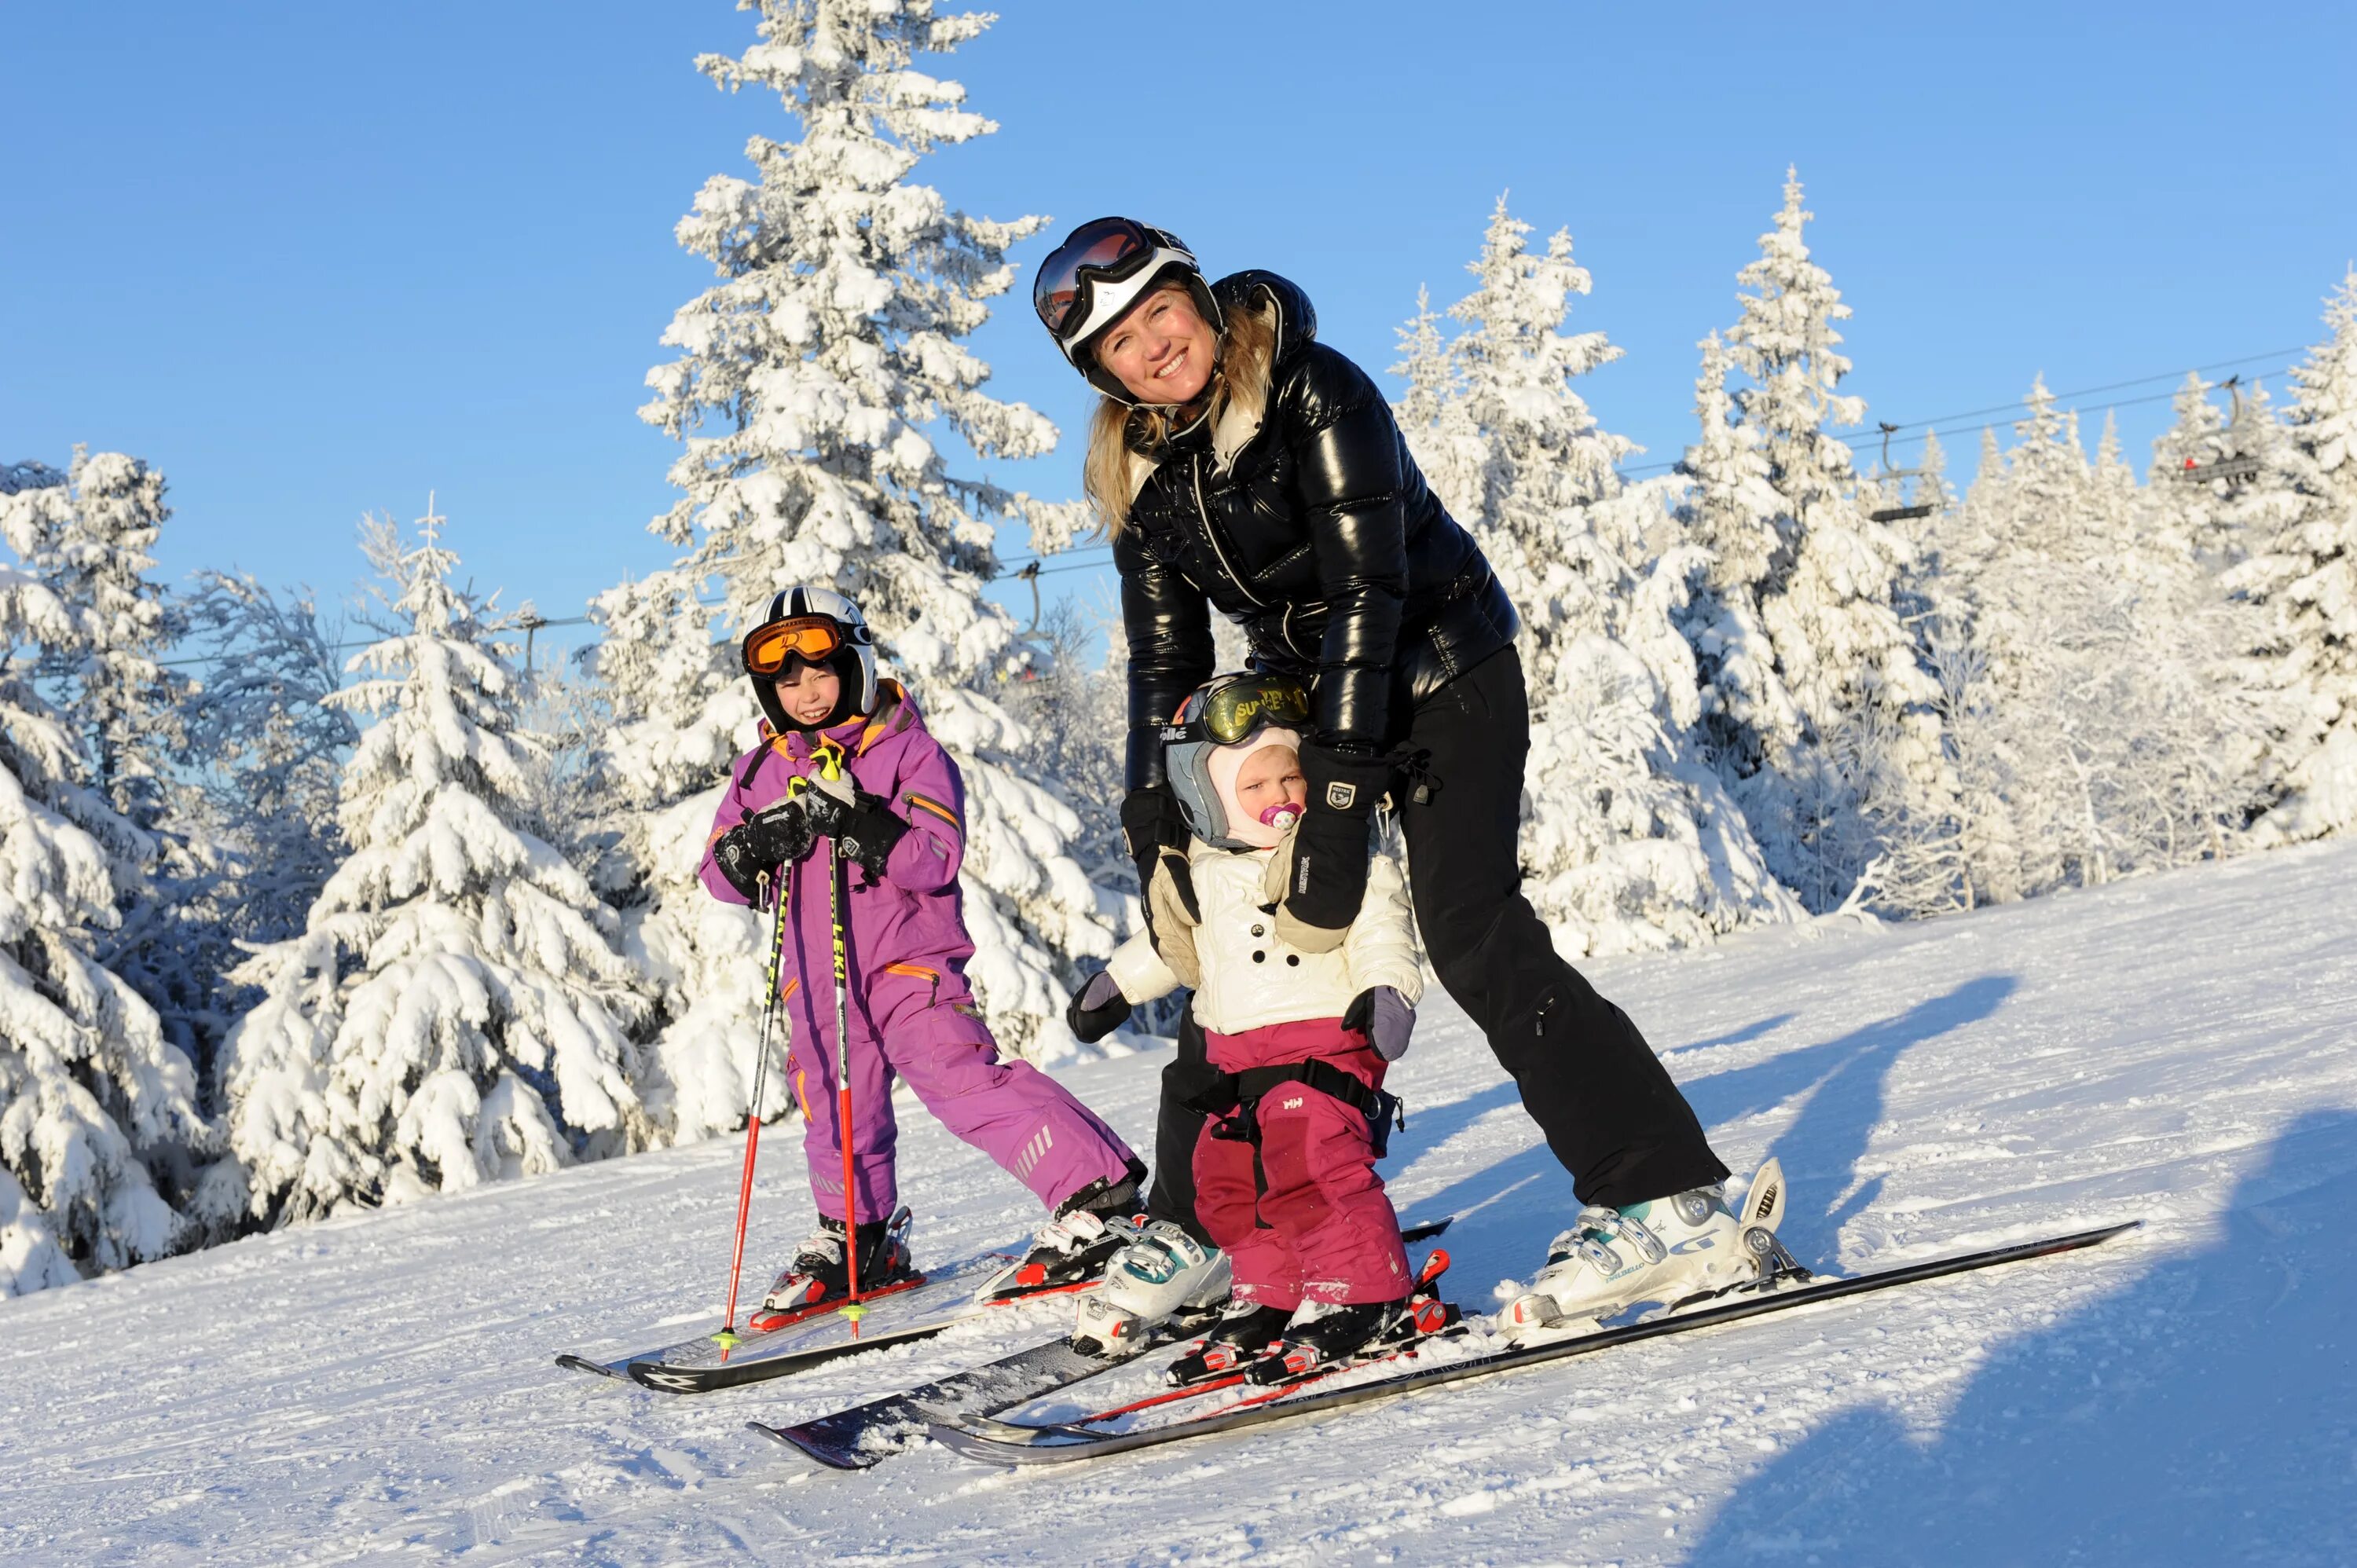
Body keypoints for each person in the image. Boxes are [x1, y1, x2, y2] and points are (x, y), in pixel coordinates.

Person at [1032, 218, 1760, 1327]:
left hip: (1441, 668)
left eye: (1160, 314)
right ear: (1101, 373)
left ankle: (1668, 1199)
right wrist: (1153, 819)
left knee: (1471, 930)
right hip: (1314, 701)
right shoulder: (1142, 467)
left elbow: (1369, 589)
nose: (1153, 348)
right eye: (1120, 344)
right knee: (1232, 938)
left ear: (1197, 295)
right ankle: (1207, 1218)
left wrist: (1335, 791)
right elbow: (1165, 658)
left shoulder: (1311, 389)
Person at [701, 584, 1146, 1325]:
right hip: (815, 978)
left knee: (961, 1079)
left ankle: (1098, 1195)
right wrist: (751, 847)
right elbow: (718, 877)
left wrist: (863, 825)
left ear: (857, 666)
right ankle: (858, 1239)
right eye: (788, 682)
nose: (808, 695)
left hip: (906, 962)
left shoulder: (907, 750)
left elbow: (936, 857)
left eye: (821, 674)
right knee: (835, 1109)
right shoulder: (760, 772)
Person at [1065, 672, 1449, 1380]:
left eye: (1290, 777)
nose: (1281, 797)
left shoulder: (1332, 856)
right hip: (1235, 1065)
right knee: (1226, 1182)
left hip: (1324, 1044)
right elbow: (1168, 948)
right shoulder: (1201, 872)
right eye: (1256, 785)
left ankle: (1368, 1293)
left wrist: (1387, 990)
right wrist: (1115, 985)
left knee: (1314, 1165)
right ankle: (1271, 1292)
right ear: (1210, 798)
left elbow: (1381, 925)